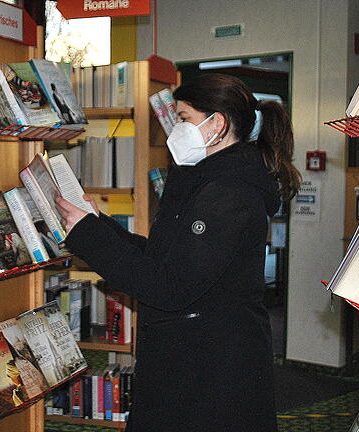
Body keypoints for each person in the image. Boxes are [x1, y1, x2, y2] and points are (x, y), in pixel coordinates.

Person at [55, 73, 301, 431]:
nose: (176, 130)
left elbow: (170, 285)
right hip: (195, 356)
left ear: (217, 124)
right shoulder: (206, 179)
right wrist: (96, 223)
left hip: (210, 368)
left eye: (184, 118)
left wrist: (88, 235)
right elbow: (162, 257)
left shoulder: (229, 193)